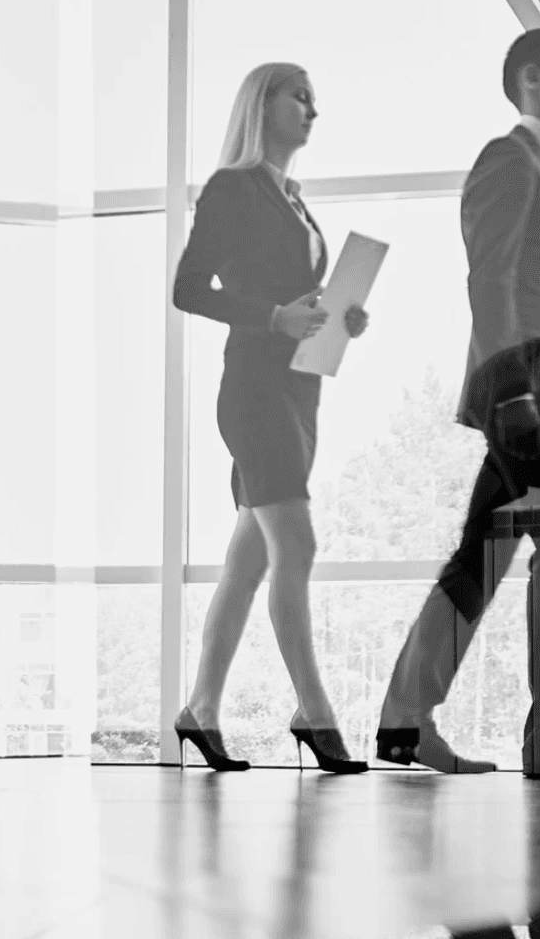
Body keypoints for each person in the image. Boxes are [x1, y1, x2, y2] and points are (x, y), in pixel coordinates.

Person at [371, 30, 540, 780]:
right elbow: (489, 279)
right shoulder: (509, 160)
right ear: (531, 78)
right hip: (525, 394)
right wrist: (515, 390)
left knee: (484, 554)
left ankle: (404, 722)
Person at [168, 62, 370, 774]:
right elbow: (187, 289)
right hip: (255, 391)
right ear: (263, 104)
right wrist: (273, 316)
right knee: (298, 546)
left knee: (248, 562)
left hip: (300, 388)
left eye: (316, 98)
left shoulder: (294, 199)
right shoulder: (233, 187)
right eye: (300, 96)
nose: (313, 109)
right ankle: (314, 712)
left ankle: (199, 709)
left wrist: (338, 315)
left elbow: (298, 297)